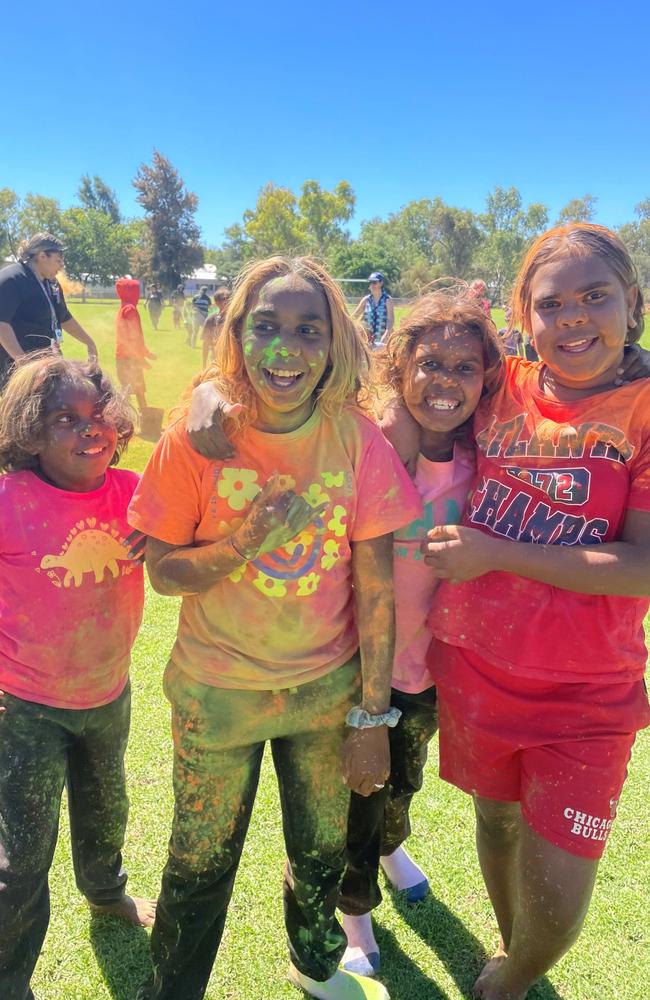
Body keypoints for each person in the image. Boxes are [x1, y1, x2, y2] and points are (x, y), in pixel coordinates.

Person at [128, 255, 422, 1000]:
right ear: (236, 332)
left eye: (307, 330)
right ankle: (175, 990)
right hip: (217, 692)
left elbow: (376, 589)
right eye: (266, 327)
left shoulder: (355, 440)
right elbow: (163, 572)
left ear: (334, 344)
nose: (285, 350)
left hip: (323, 694)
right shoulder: (196, 438)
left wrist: (371, 716)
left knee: (321, 852)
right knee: (198, 864)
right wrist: (243, 544)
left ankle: (318, 969)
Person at [419, 224, 650, 1000]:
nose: (574, 318)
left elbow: (644, 566)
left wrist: (497, 551)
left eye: (595, 296)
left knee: (557, 894)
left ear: (632, 302)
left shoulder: (644, 411)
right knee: (496, 823)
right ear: (525, 317)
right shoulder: (501, 385)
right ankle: (507, 956)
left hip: (587, 697)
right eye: (553, 304)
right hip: (476, 665)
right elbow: (411, 378)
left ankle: (514, 974)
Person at [338, 291, 503, 977]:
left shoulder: (486, 454)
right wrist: (390, 427)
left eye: (466, 368)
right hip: (359, 662)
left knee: (403, 783)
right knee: (355, 794)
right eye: (429, 363)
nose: (446, 381)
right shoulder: (372, 439)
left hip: (432, 670)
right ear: (397, 365)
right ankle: (353, 911)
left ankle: (390, 847)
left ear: (486, 381)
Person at [0, 353, 156, 1000]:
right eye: (66, 419)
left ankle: (107, 892)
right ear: (30, 431)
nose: (90, 430)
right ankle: (10, 980)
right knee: (20, 860)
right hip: (27, 707)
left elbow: (199, 503)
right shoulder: (9, 500)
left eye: (99, 416)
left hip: (107, 693)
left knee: (106, 810)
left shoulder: (135, 494)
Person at [0, 233, 98, 389]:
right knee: (26, 413)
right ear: (42, 256)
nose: (62, 266)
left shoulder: (51, 283)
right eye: (58, 260)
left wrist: (89, 342)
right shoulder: (12, 279)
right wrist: (24, 364)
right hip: (16, 371)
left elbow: (64, 317)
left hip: (46, 363)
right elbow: (2, 324)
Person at [115, 278, 157, 415]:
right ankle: (144, 417)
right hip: (130, 358)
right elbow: (134, 336)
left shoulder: (123, 307)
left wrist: (145, 353)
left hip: (122, 357)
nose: (139, 293)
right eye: (136, 290)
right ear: (131, 292)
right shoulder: (130, 309)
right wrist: (142, 356)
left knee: (127, 389)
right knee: (137, 389)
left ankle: (126, 416)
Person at [353, 273, 395, 348]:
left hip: (382, 340)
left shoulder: (387, 300)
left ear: (381, 283)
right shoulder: (366, 300)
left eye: (374, 283)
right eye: (370, 283)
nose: (372, 285)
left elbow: (390, 319)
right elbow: (354, 317)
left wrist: (386, 334)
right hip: (366, 340)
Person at [201, 286, 230, 370]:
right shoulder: (210, 320)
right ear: (217, 303)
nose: (229, 302)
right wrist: (204, 365)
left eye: (230, 300)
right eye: (225, 300)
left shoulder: (236, 320)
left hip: (233, 361)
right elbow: (206, 344)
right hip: (216, 360)